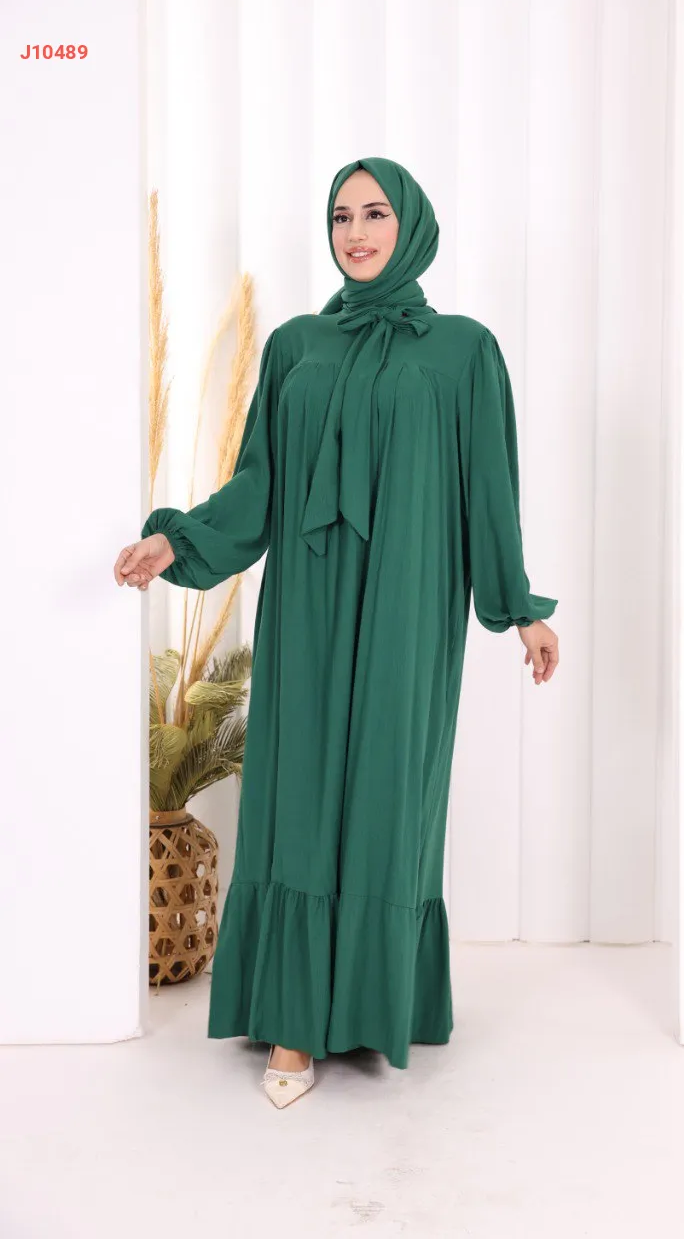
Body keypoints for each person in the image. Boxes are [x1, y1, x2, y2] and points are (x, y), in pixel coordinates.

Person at [114, 156, 559, 1108]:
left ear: (413, 226)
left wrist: (518, 607)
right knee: (302, 785)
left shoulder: (464, 351)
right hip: (308, 601)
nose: (355, 232)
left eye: (375, 214)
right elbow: (260, 482)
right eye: (340, 216)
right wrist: (177, 540)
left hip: (410, 598)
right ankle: (292, 1022)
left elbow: (489, 487)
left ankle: (372, 1000)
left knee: (391, 791)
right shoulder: (295, 345)